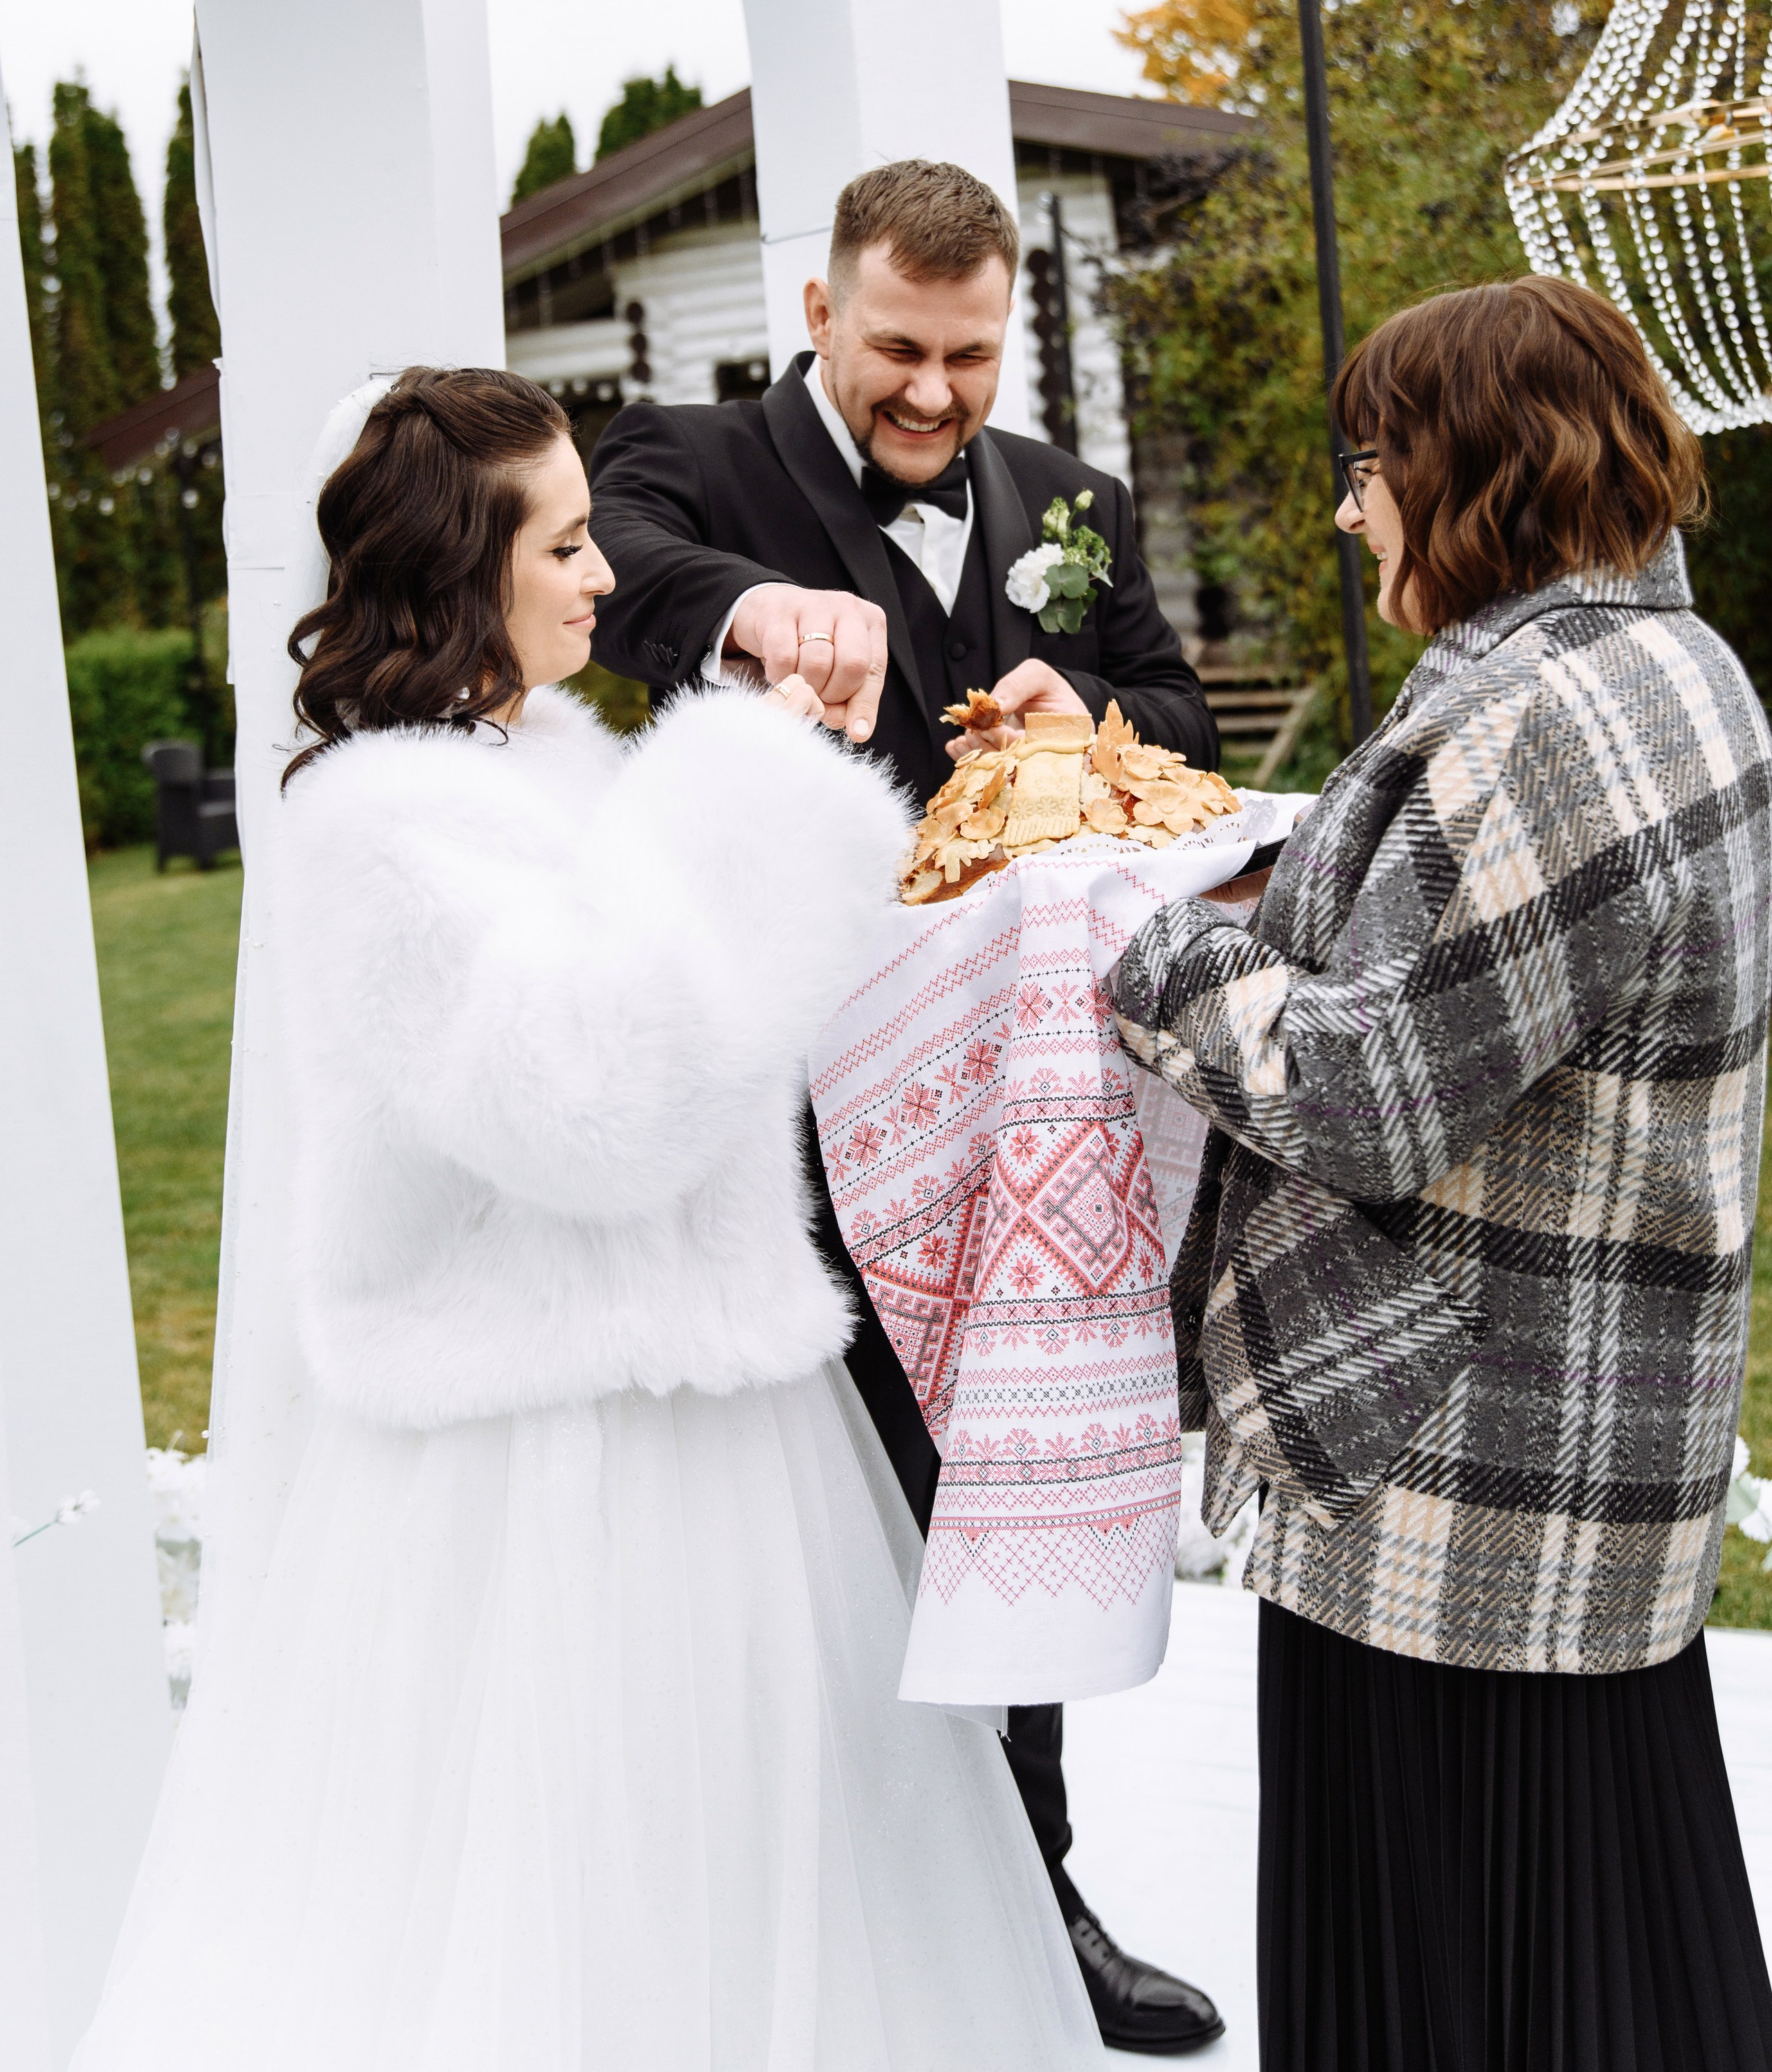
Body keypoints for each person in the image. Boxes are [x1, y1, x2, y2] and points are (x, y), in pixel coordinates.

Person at [72, 367, 1103, 2072]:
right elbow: (595, 1098)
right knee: (567, 1884)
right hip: (534, 1470)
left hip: (700, 1415)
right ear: (456, 569)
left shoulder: (538, 764)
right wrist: (754, 783)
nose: (606, 578)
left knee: (745, 1862)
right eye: (563, 544)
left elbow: (715, 1010)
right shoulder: (380, 824)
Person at [588, 159, 1224, 2057]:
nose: (935, 394)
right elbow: (622, 577)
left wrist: (1090, 729)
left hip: (1020, 1131)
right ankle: (796, 1918)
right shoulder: (692, 466)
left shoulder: (1067, 505)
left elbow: (1177, 714)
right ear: (816, 316)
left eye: (968, 352)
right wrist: (766, 610)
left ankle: (1034, 1904)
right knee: (804, 1527)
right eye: (895, 351)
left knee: (993, 1490)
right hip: (781, 1121)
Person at [1113, 273, 1772, 2072]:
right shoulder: (1668, 664)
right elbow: (1475, 955)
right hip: (1585, 1435)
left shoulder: (1545, 722)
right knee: (1617, 1943)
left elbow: (1374, 1100)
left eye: (1370, 464)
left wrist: (1162, 954)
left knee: (1457, 1982)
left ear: (1472, 470)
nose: (1351, 506)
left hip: (1461, 1464)